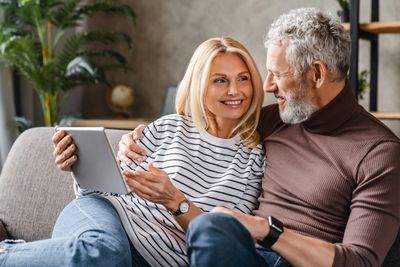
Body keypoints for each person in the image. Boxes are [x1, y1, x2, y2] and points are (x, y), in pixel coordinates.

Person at [123, 8, 400, 267]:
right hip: (242, 253)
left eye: (277, 74)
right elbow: (207, 119)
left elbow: (361, 260)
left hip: (295, 260)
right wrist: (135, 139)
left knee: (210, 227)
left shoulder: (379, 153)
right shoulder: (276, 118)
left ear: (316, 73)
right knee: (210, 229)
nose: (266, 86)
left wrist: (268, 230)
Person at [0, 37, 265, 267]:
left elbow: (224, 238)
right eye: (220, 80)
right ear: (199, 86)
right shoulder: (169, 126)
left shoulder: (254, 158)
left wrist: (176, 201)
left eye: (243, 78)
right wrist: (79, 164)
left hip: (151, 258)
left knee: (109, 258)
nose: (235, 91)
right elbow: (107, 186)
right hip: (105, 214)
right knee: (104, 254)